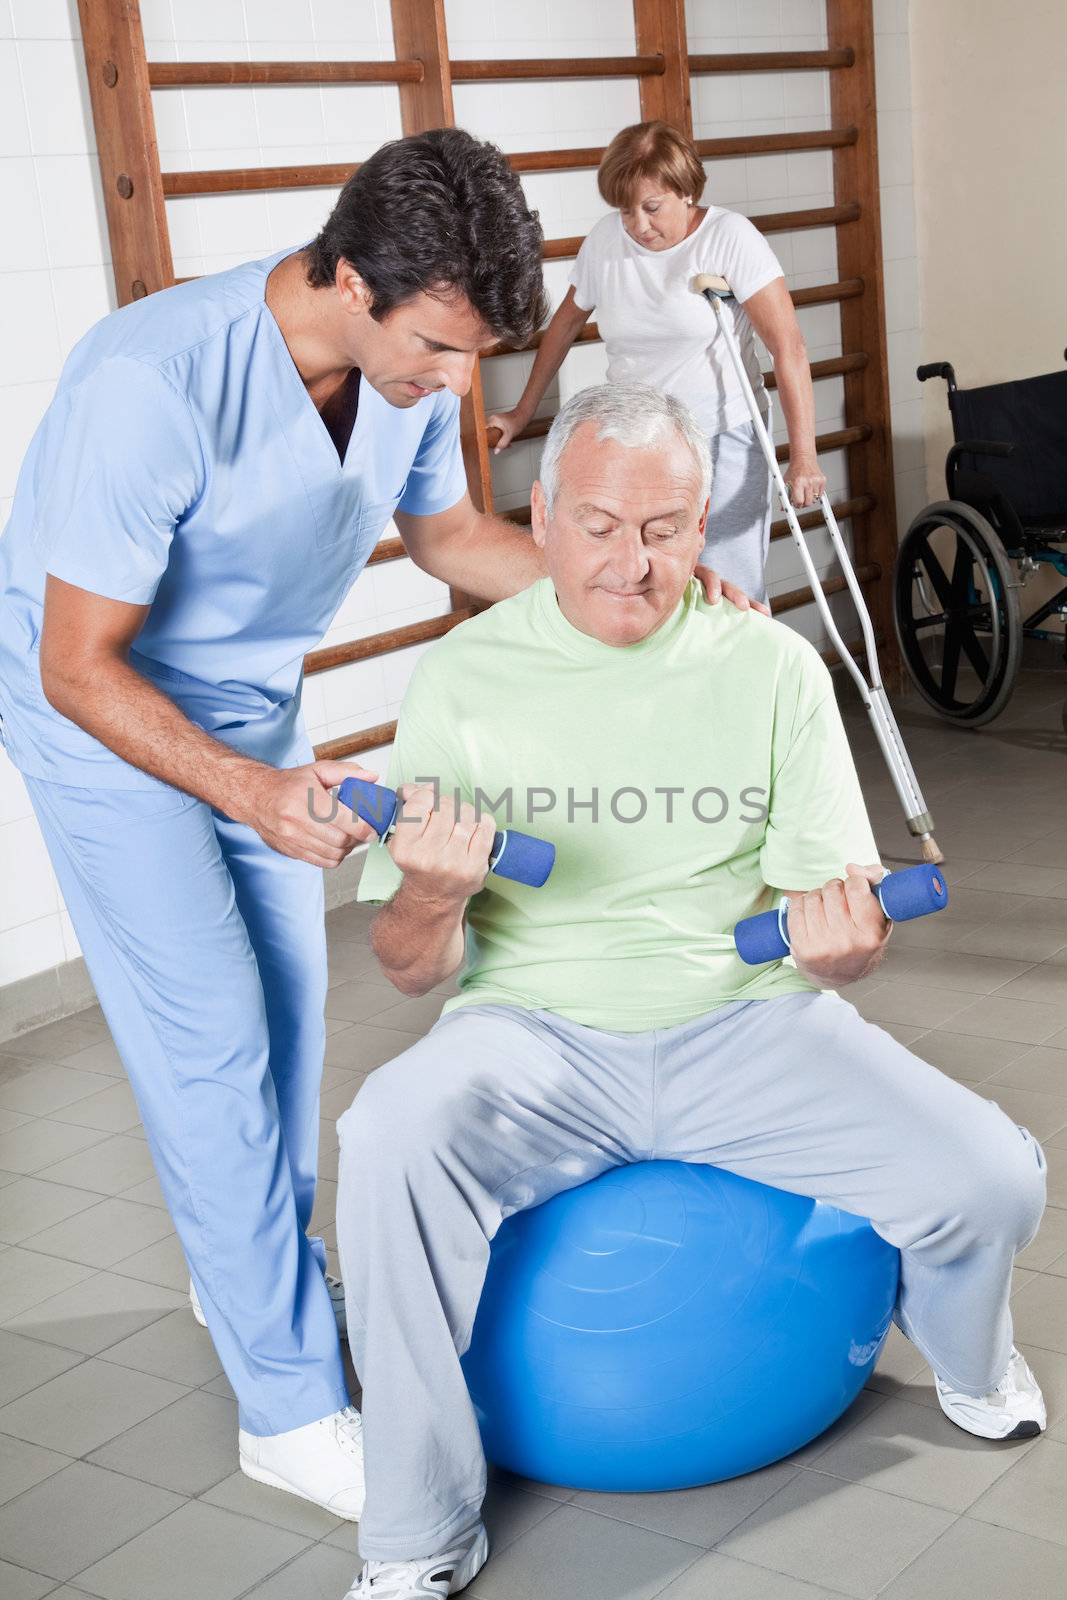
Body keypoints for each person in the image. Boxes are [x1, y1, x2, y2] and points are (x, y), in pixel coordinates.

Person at [0, 127, 754, 1519]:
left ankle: (245, 1260)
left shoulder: (411, 360)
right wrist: (245, 791)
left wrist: (630, 580)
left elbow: (454, 538)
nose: (449, 382)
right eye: (433, 349)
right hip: (103, 727)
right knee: (211, 1045)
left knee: (288, 1018)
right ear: (346, 276)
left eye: (469, 357)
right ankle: (285, 1410)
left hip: (248, 709)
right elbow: (73, 664)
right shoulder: (150, 381)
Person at [335, 383, 1048, 1599]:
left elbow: (831, 929)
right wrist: (434, 894)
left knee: (990, 1175)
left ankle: (969, 1360)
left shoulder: (768, 668)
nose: (632, 561)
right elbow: (409, 968)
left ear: (705, 525)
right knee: (382, 1136)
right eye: (602, 525)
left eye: (665, 528)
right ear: (544, 515)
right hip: (532, 1036)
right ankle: (416, 1526)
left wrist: (838, 946)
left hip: (744, 1017)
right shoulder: (462, 677)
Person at [489, 119, 828, 606]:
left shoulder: (730, 237)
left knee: (728, 591)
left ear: (685, 191)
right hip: (636, 445)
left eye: (651, 208)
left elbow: (788, 347)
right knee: (645, 588)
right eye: (626, 211)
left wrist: (804, 457)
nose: (638, 226)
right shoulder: (606, 241)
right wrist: (522, 411)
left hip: (721, 436)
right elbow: (562, 328)